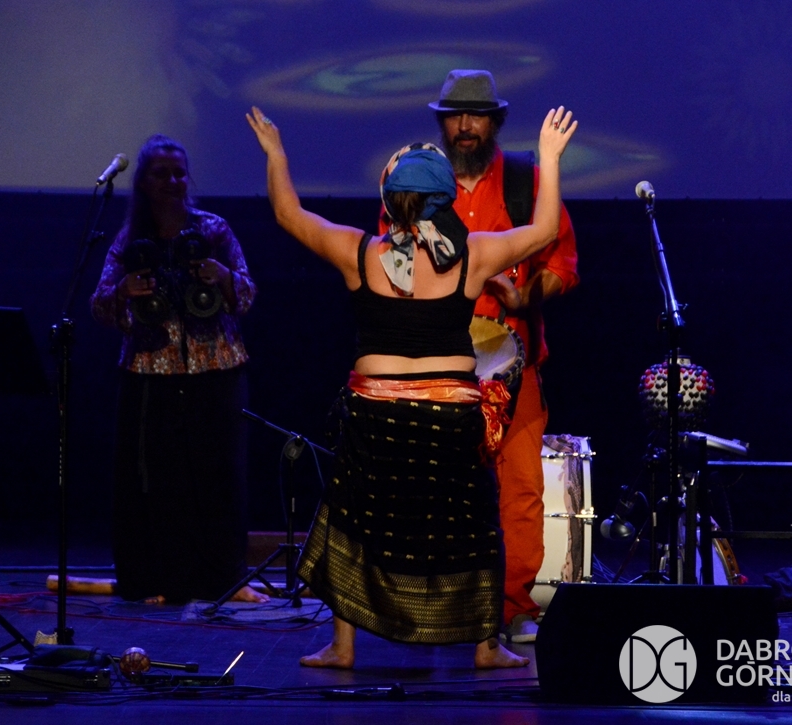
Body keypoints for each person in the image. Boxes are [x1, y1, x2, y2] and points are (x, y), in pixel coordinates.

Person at [245, 102, 576, 668]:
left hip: (375, 415)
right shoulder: (472, 255)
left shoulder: (360, 251)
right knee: (474, 523)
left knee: (352, 520)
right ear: (444, 199)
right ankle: (486, 648)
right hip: (448, 416)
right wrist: (549, 156)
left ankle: (344, 646)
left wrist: (276, 153)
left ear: (388, 197)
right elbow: (545, 231)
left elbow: (287, 212)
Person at [421, 69, 580, 642]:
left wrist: (526, 295)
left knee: (520, 489)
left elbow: (562, 265)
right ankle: (442, 603)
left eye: (477, 116)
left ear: (495, 123)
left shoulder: (524, 182)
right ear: (442, 123)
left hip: (514, 365)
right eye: (455, 117)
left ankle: (514, 607)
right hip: (437, 364)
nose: (465, 126)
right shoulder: (419, 183)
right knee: (439, 488)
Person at [90, 134, 266, 605]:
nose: (172, 181)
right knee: (156, 482)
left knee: (219, 478)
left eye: (179, 173)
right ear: (144, 183)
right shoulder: (130, 239)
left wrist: (222, 276)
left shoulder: (213, 229)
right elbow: (98, 304)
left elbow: (248, 293)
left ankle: (226, 579)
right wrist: (123, 291)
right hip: (151, 374)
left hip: (217, 369)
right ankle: (157, 578)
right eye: (161, 173)